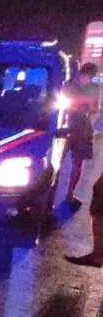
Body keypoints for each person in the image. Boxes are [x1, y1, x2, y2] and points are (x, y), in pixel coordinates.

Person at [64, 63, 99, 211]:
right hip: (68, 127)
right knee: (62, 161)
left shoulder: (91, 88)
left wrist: (88, 106)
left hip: (80, 128)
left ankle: (69, 194)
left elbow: (94, 108)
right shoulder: (69, 85)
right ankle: (63, 193)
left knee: (77, 163)